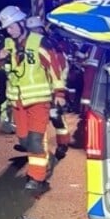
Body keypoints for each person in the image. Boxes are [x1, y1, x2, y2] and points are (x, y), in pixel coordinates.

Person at [0, 6, 68, 190]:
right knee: (24, 140)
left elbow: (56, 66)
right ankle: (42, 163)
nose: (10, 30)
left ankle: (37, 178)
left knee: (35, 141)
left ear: (22, 22)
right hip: (17, 102)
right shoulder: (7, 44)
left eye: (12, 26)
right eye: (7, 28)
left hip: (38, 101)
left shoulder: (40, 42)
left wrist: (59, 93)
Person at [27, 15, 71, 158]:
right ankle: (32, 146)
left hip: (52, 90)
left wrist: (59, 91)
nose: (34, 33)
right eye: (31, 30)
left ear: (41, 29)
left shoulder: (50, 45)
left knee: (56, 118)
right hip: (37, 93)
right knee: (36, 124)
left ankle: (63, 144)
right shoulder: (28, 47)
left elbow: (60, 68)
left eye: (36, 30)